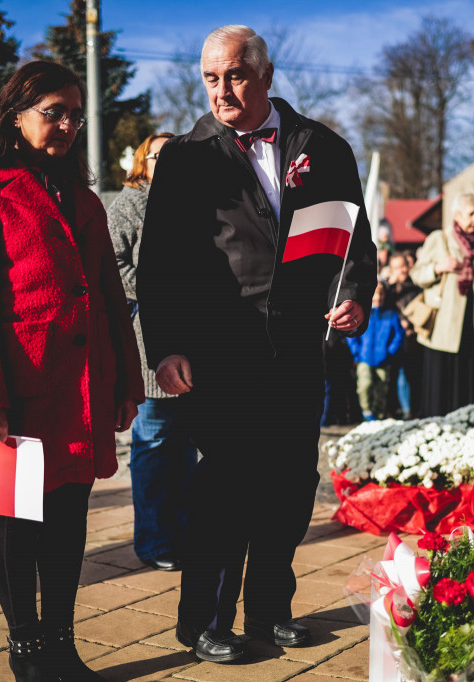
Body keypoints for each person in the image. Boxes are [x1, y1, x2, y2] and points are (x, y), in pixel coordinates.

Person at [136, 24, 376, 664]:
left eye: (235, 75)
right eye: (211, 78)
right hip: (219, 352)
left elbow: (356, 238)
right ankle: (205, 622)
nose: (222, 90)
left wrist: (354, 292)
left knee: (291, 485)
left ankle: (271, 610)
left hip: (300, 347)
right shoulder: (186, 157)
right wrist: (165, 347)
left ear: (266, 76)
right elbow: (158, 265)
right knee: (224, 490)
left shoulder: (323, 148)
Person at [0, 60, 144, 682]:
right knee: (17, 521)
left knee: (67, 523)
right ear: (15, 115)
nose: (63, 124)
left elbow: (112, 298)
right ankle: (26, 649)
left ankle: (61, 642)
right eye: (50, 112)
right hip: (21, 395)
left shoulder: (83, 198)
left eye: (72, 115)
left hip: (83, 392)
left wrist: (126, 384)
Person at [107, 132, 198, 573]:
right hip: (148, 338)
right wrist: (154, 286)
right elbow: (109, 262)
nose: (170, 162)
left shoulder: (192, 203)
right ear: (143, 162)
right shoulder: (129, 203)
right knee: (153, 446)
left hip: (193, 343)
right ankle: (154, 540)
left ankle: (181, 535)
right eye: (160, 155)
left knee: (184, 452)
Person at [409, 192, 474, 416]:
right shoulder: (439, 239)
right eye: (471, 213)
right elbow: (416, 274)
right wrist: (438, 267)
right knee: (443, 386)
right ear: (457, 215)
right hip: (445, 331)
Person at [347, 283, 405, 420]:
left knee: (381, 389)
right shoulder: (362, 312)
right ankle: (367, 413)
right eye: (375, 293)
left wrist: (390, 351)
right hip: (364, 358)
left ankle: (379, 417)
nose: (378, 297)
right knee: (364, 385)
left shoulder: (391, 315)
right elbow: (352, 334)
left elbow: (399, 335)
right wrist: (357, 352)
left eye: (381, 293)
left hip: (384, 359)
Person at [382, 251, 421, 418]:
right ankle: (393, 409)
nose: (401, 271)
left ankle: (410, 410)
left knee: (409, 376)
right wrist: (390, 285)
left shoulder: (416, 286)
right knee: (394, 375)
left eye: (403, 266)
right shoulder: (388, 290)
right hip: (392, 340)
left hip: (412, 339)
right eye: (396, 267)